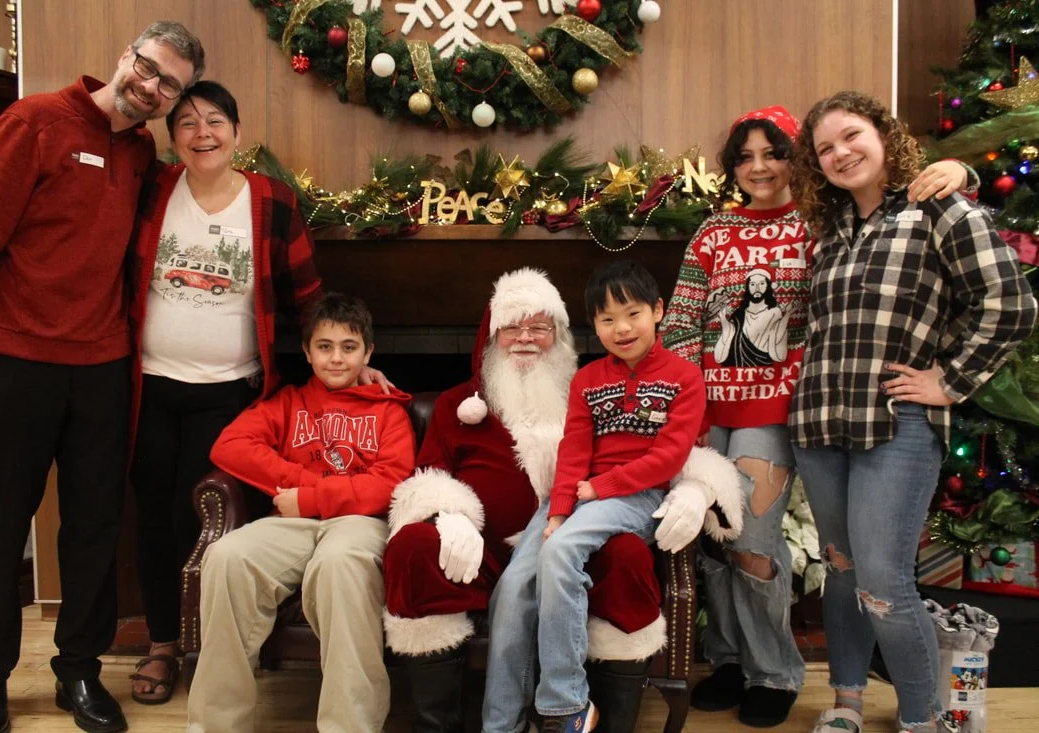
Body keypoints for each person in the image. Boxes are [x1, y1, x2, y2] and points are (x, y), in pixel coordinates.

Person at [659, 105, 977, 728]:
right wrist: (684, 408)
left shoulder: (821, 224)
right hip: (703, 412)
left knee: (751, 541)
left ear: (795, 159)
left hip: (777, 412)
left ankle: (773, 669)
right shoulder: (712, 232)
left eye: (772, 153)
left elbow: (878, 244)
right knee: (710, 544)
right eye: (745, 157)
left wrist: (957, 170)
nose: (758, 168)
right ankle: (726, 659)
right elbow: (679, 320)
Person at [0, 21, 203, 733]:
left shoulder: (142, 151)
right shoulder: (34, 122)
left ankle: (78, 672)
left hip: (102, 370)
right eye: (147, 67)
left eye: (168, 83)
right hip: (14, 363)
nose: (150, 85)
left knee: (93, 526)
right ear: (126, 56)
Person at [382, 267, 740, 733]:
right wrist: (450, 510)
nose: (525, 338)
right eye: (512, 326)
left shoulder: (654, 378)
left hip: (610, 505)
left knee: (569, 551)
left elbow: (676, 451)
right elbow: (574, 450)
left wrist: (696, 486)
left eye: (539, 326)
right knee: (512, 589)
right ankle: (501, 724)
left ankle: (565, 703)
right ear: (490, 335)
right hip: (544, 519)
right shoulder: (570, 384)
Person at [788, 90, 1036, 733]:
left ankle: (924, 718)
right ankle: (845, 702)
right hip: (818, 426)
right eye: (825, 148)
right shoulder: (829, 230)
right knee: (840, 571)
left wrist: (950, 382)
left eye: (851, 136)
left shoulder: (938, 209)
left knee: (882, 580)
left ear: (882, 135)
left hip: (894, 426)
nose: (840, 153)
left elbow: (1010, 304)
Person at [126, 79, 324, 705]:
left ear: (237, 133)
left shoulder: (272, 203)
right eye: (186, 122)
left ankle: (212, 650)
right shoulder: (153, 190)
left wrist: (346, 363)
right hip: (148, 387)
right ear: (172, 138)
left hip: (230, 395)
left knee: (209, 523)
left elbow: (309, 300)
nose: (202, 133)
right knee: (153, 519)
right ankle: (162, 646)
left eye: (215, 120)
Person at [187, 293, 416, 733]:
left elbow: (390, 486)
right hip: (290, 523)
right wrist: (301, 483)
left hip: (357, 523)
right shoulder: (287, 402)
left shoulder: (388, 411)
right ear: (307, 352)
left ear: (368, 352)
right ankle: (215, 725)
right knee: (227, 557)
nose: (336, 358)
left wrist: (311, 497)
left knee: (340, 564)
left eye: (349, 348)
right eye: (325, 347)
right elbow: (229, 446)